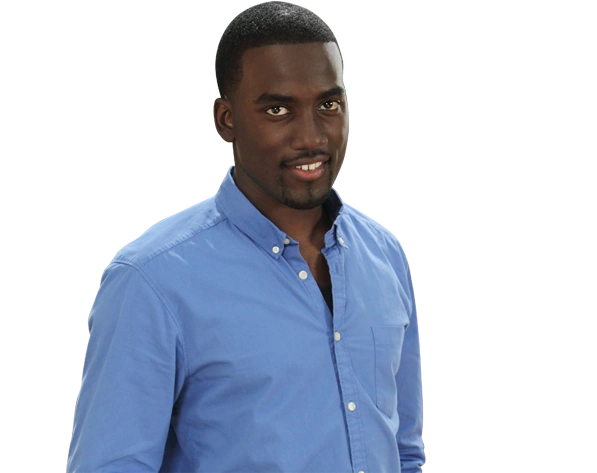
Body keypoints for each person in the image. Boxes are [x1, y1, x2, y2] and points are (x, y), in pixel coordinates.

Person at [66, 2, 424, 472]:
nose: (311, 137)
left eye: (328, 105)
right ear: (225, 119)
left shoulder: (384, 256)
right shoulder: (151, 282)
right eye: (278, 109)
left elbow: (404, 451)